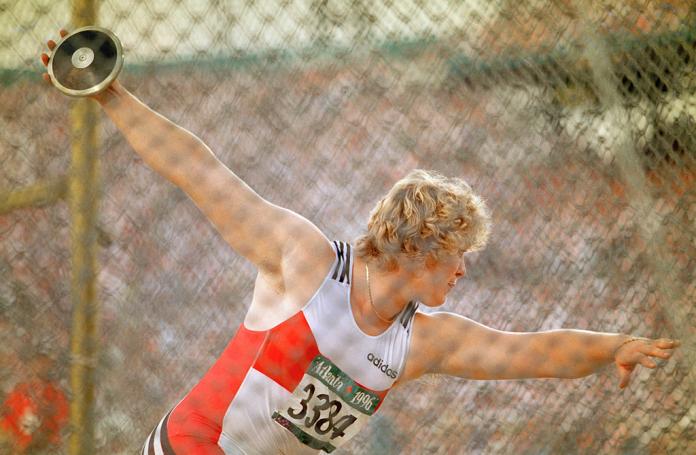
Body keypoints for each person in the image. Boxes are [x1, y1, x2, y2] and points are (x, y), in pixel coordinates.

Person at [41, 30, 680, 455]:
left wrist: (612, 348)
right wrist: (111, 95)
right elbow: (198, 171)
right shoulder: (308, 262)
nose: (462, 271)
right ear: (425, 246)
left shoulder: (421, 340)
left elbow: (532, 353)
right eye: (459, 254)